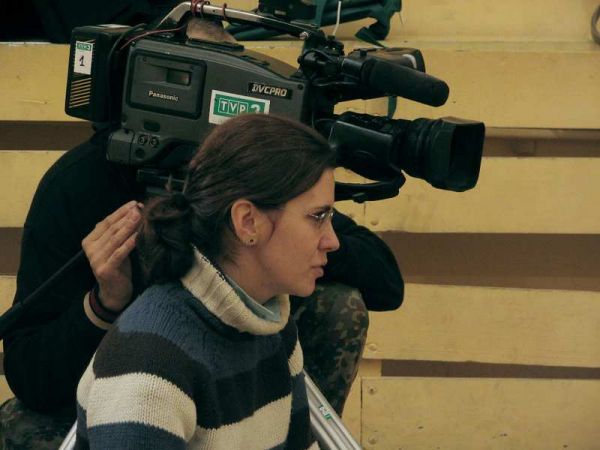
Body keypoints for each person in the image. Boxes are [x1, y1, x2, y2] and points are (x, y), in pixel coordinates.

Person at [1, 20, 403, 450]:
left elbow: (385, 283)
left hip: (237, 386)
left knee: (336, 304)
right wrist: (103, 305)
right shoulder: (83, 181)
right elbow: (29, 374)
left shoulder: (266, 189)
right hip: (113, 398)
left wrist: (284, 242)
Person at [74, 113, 337, 448]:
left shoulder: (272, 326)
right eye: (318, 216)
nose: (332, 240)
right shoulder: (149, 366)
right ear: (248, 222)